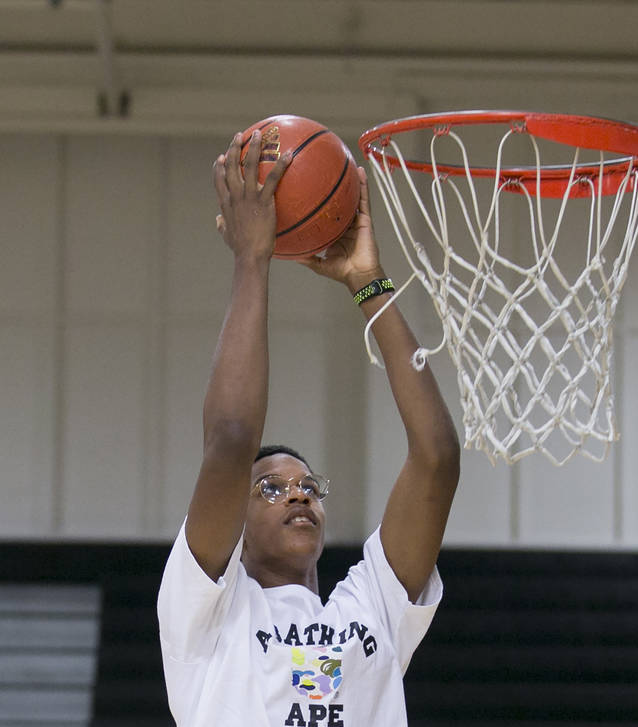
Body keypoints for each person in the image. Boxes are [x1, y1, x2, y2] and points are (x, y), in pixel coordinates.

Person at [157, 128, 460, 727]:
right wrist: (252, 259)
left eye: (307, 485)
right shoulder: (207, 614)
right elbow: (232, 437)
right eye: (269, 488)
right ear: (233, 525)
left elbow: (437, 456)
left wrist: (366, 283)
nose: (298, 492)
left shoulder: (370, 609)